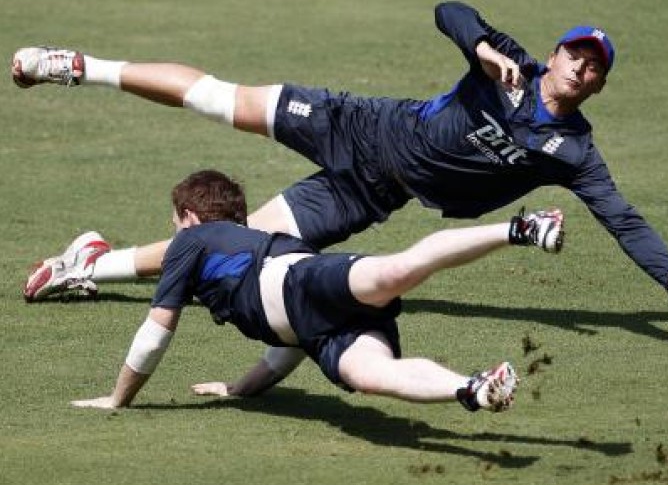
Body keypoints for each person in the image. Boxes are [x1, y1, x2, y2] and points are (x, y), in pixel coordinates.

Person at [12, 0, 668, 322]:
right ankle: (75, 66)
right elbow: (451, 9)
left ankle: (88, 262)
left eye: (595, 68)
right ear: (559, 53)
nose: (580, 69)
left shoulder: (575, 152)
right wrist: (478, 45)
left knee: (231, 254)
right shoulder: (507, 60)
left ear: (599, 81)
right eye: (576, 54)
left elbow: (624, 221)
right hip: (353, 123)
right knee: (217, 99)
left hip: (371, 194)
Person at [71, 169, 566, 411]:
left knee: (393, 272)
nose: (173, 230)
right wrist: (238, 389)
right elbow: (286, 342)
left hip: (304, 281)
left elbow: (156, 332)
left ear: (192, 218)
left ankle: (521, 230)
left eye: (175, 220)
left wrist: (118, 399)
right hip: (318, 331)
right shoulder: (233, 243)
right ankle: (473, 387)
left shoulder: (191, 241)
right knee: (374, 376)